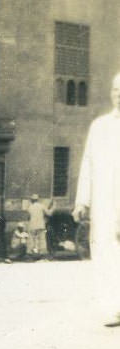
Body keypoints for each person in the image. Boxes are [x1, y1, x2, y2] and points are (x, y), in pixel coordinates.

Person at [74, 71, 120, 326]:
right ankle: (115, 308)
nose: (119, 96)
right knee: (105, 252)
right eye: (116, 91)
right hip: (104, 204)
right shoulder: (100, 126)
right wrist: (83, 201)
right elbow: (88, 165)